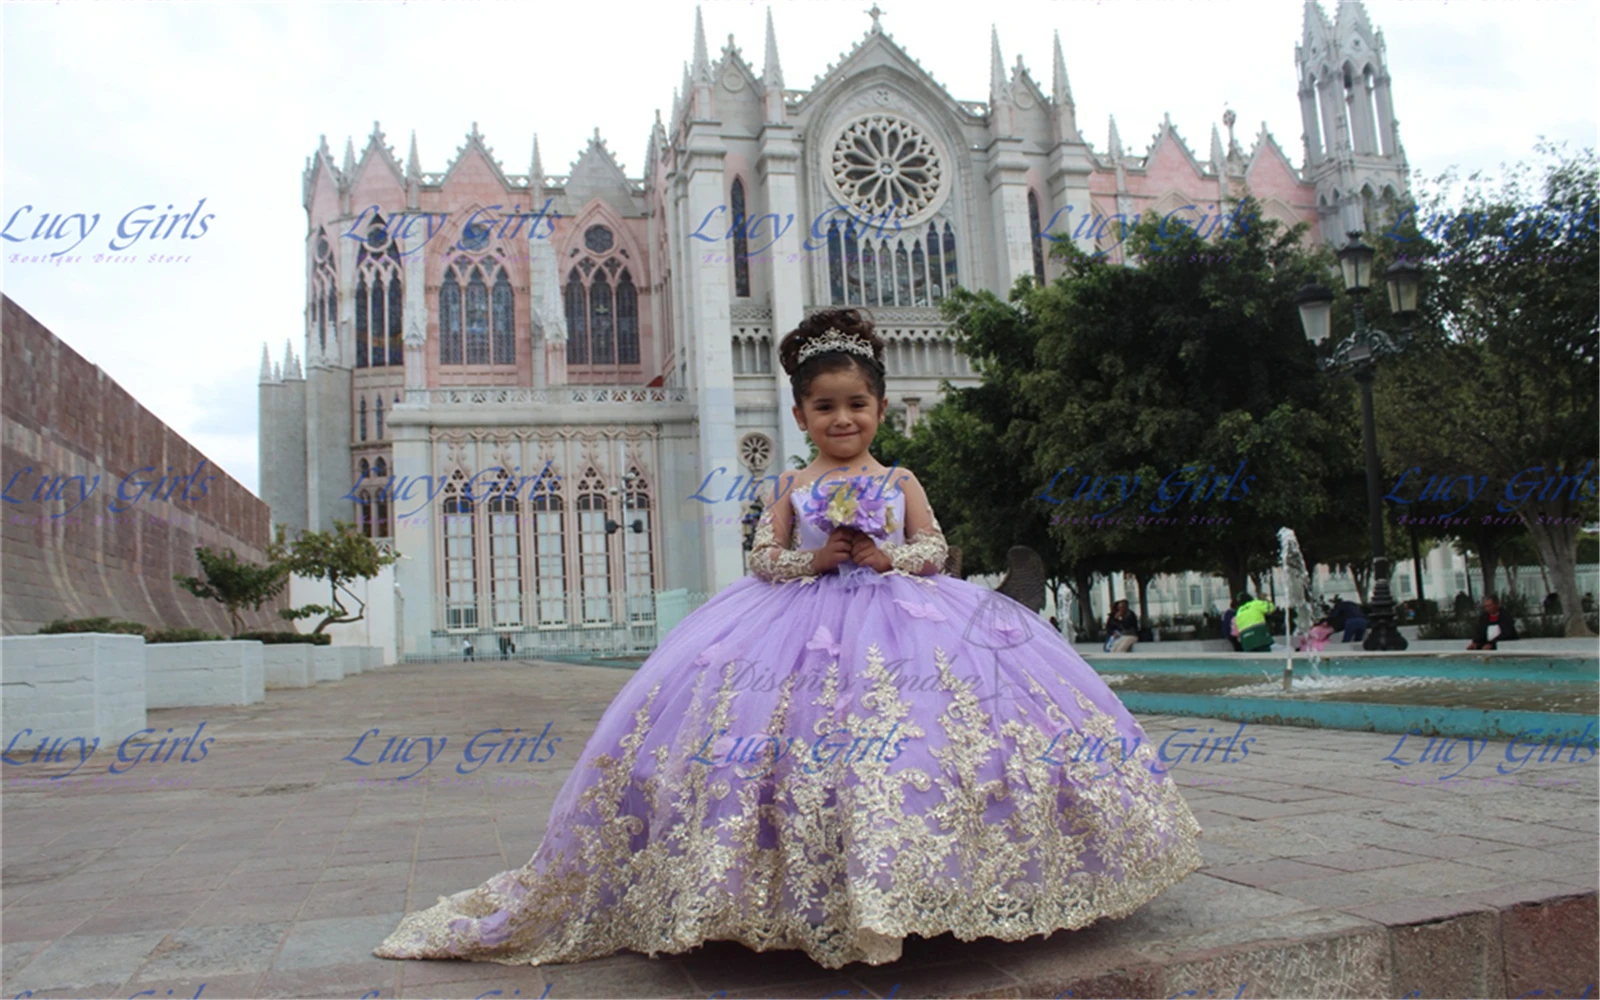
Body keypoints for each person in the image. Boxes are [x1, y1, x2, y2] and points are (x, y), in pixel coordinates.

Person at [376, 308, 1202, 970]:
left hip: (908, 624)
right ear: (802, 415)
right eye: (825, 407)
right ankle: (790, 895)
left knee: (922, 744)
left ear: (879, 410)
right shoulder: (792, 482)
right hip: (794, 629)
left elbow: (935, 545)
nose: (843, 418)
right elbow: (763, 557)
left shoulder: (899, 478)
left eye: (857, 404)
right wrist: (814, 559)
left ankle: (921, 887)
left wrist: (888, 556)